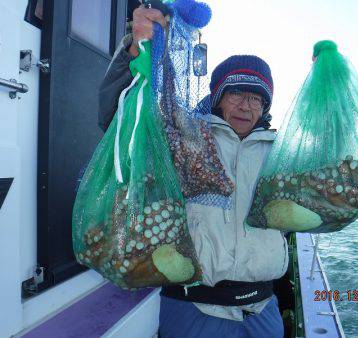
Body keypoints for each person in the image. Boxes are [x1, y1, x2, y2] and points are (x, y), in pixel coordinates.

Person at [99, 6, 288, 338]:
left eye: (257, 98)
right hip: (194, 310)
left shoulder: (282, 152)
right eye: (235, 93)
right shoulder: (184, 135)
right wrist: (137, 46)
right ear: (217, 96)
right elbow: (120, 118)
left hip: (263, 310)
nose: (246, 105)